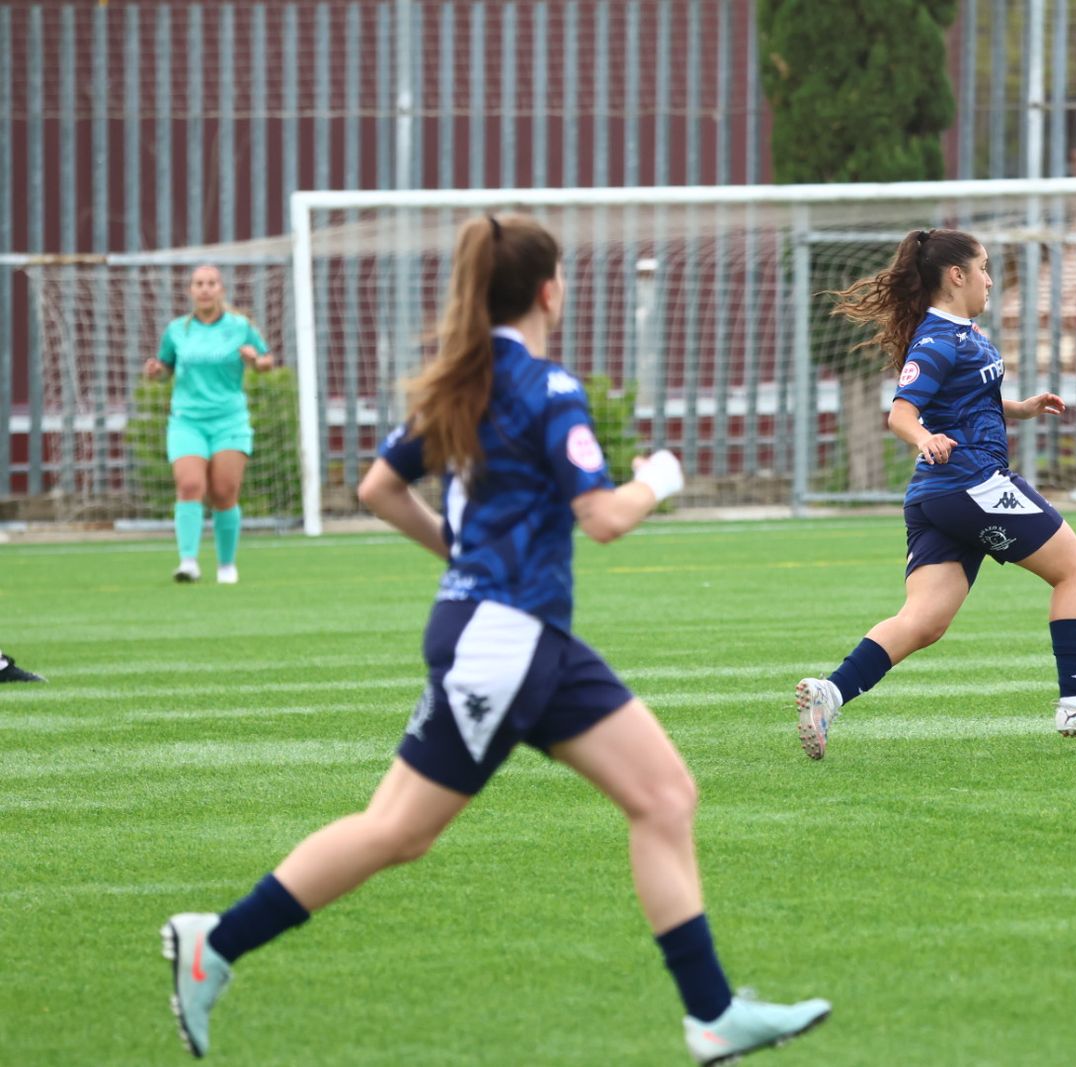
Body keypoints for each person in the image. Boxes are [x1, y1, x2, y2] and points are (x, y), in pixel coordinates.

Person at [161, 215, 829, 1064]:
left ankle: (711, 1013)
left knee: (663, 796)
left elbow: (377, 487)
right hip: (505, 644)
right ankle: (214, 943)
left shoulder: (463, 382)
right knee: (397, 830)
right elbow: (604, 517)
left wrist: (462, 555)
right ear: (550, 290)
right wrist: (659, 476)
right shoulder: (547, 388)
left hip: (517, 636)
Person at [794, 227, 1076, 760]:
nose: (989, 279)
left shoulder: (966, 333)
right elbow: (901, 413)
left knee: (925, 621)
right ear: (955, 276)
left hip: (938, 498)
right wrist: (924, 436)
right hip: (972, 482)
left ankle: (831, 692)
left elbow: (970, 398)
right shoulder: (936, 340)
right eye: (982, 268)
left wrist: (1019, 408)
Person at [143, 265, 274, 584]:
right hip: (187, 421)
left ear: (221, 290)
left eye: (211, 283)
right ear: (190, 290)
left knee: (224, 493)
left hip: (229, 420)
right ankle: (188, 562)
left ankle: (226, 566)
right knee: (189, 485)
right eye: (199, 284)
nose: (205, 289)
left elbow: (267, 361)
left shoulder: (240, 327)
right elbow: (165, 368)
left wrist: (255, 361)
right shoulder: (177, 330)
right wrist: (156, 372)